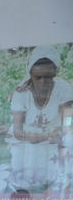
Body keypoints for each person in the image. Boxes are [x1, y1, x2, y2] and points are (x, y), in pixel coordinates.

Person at [7, 44, 73, 192]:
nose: (43, 82)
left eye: (48, 77)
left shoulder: (64, 88)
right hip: (26, 138)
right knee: (27, 170)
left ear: (55, 73)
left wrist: (62, 130)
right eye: (38, 78)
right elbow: (17, 131)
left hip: (55, 136)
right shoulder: (21, 93)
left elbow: (68, 119)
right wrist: (41, 137)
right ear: (30, 74)